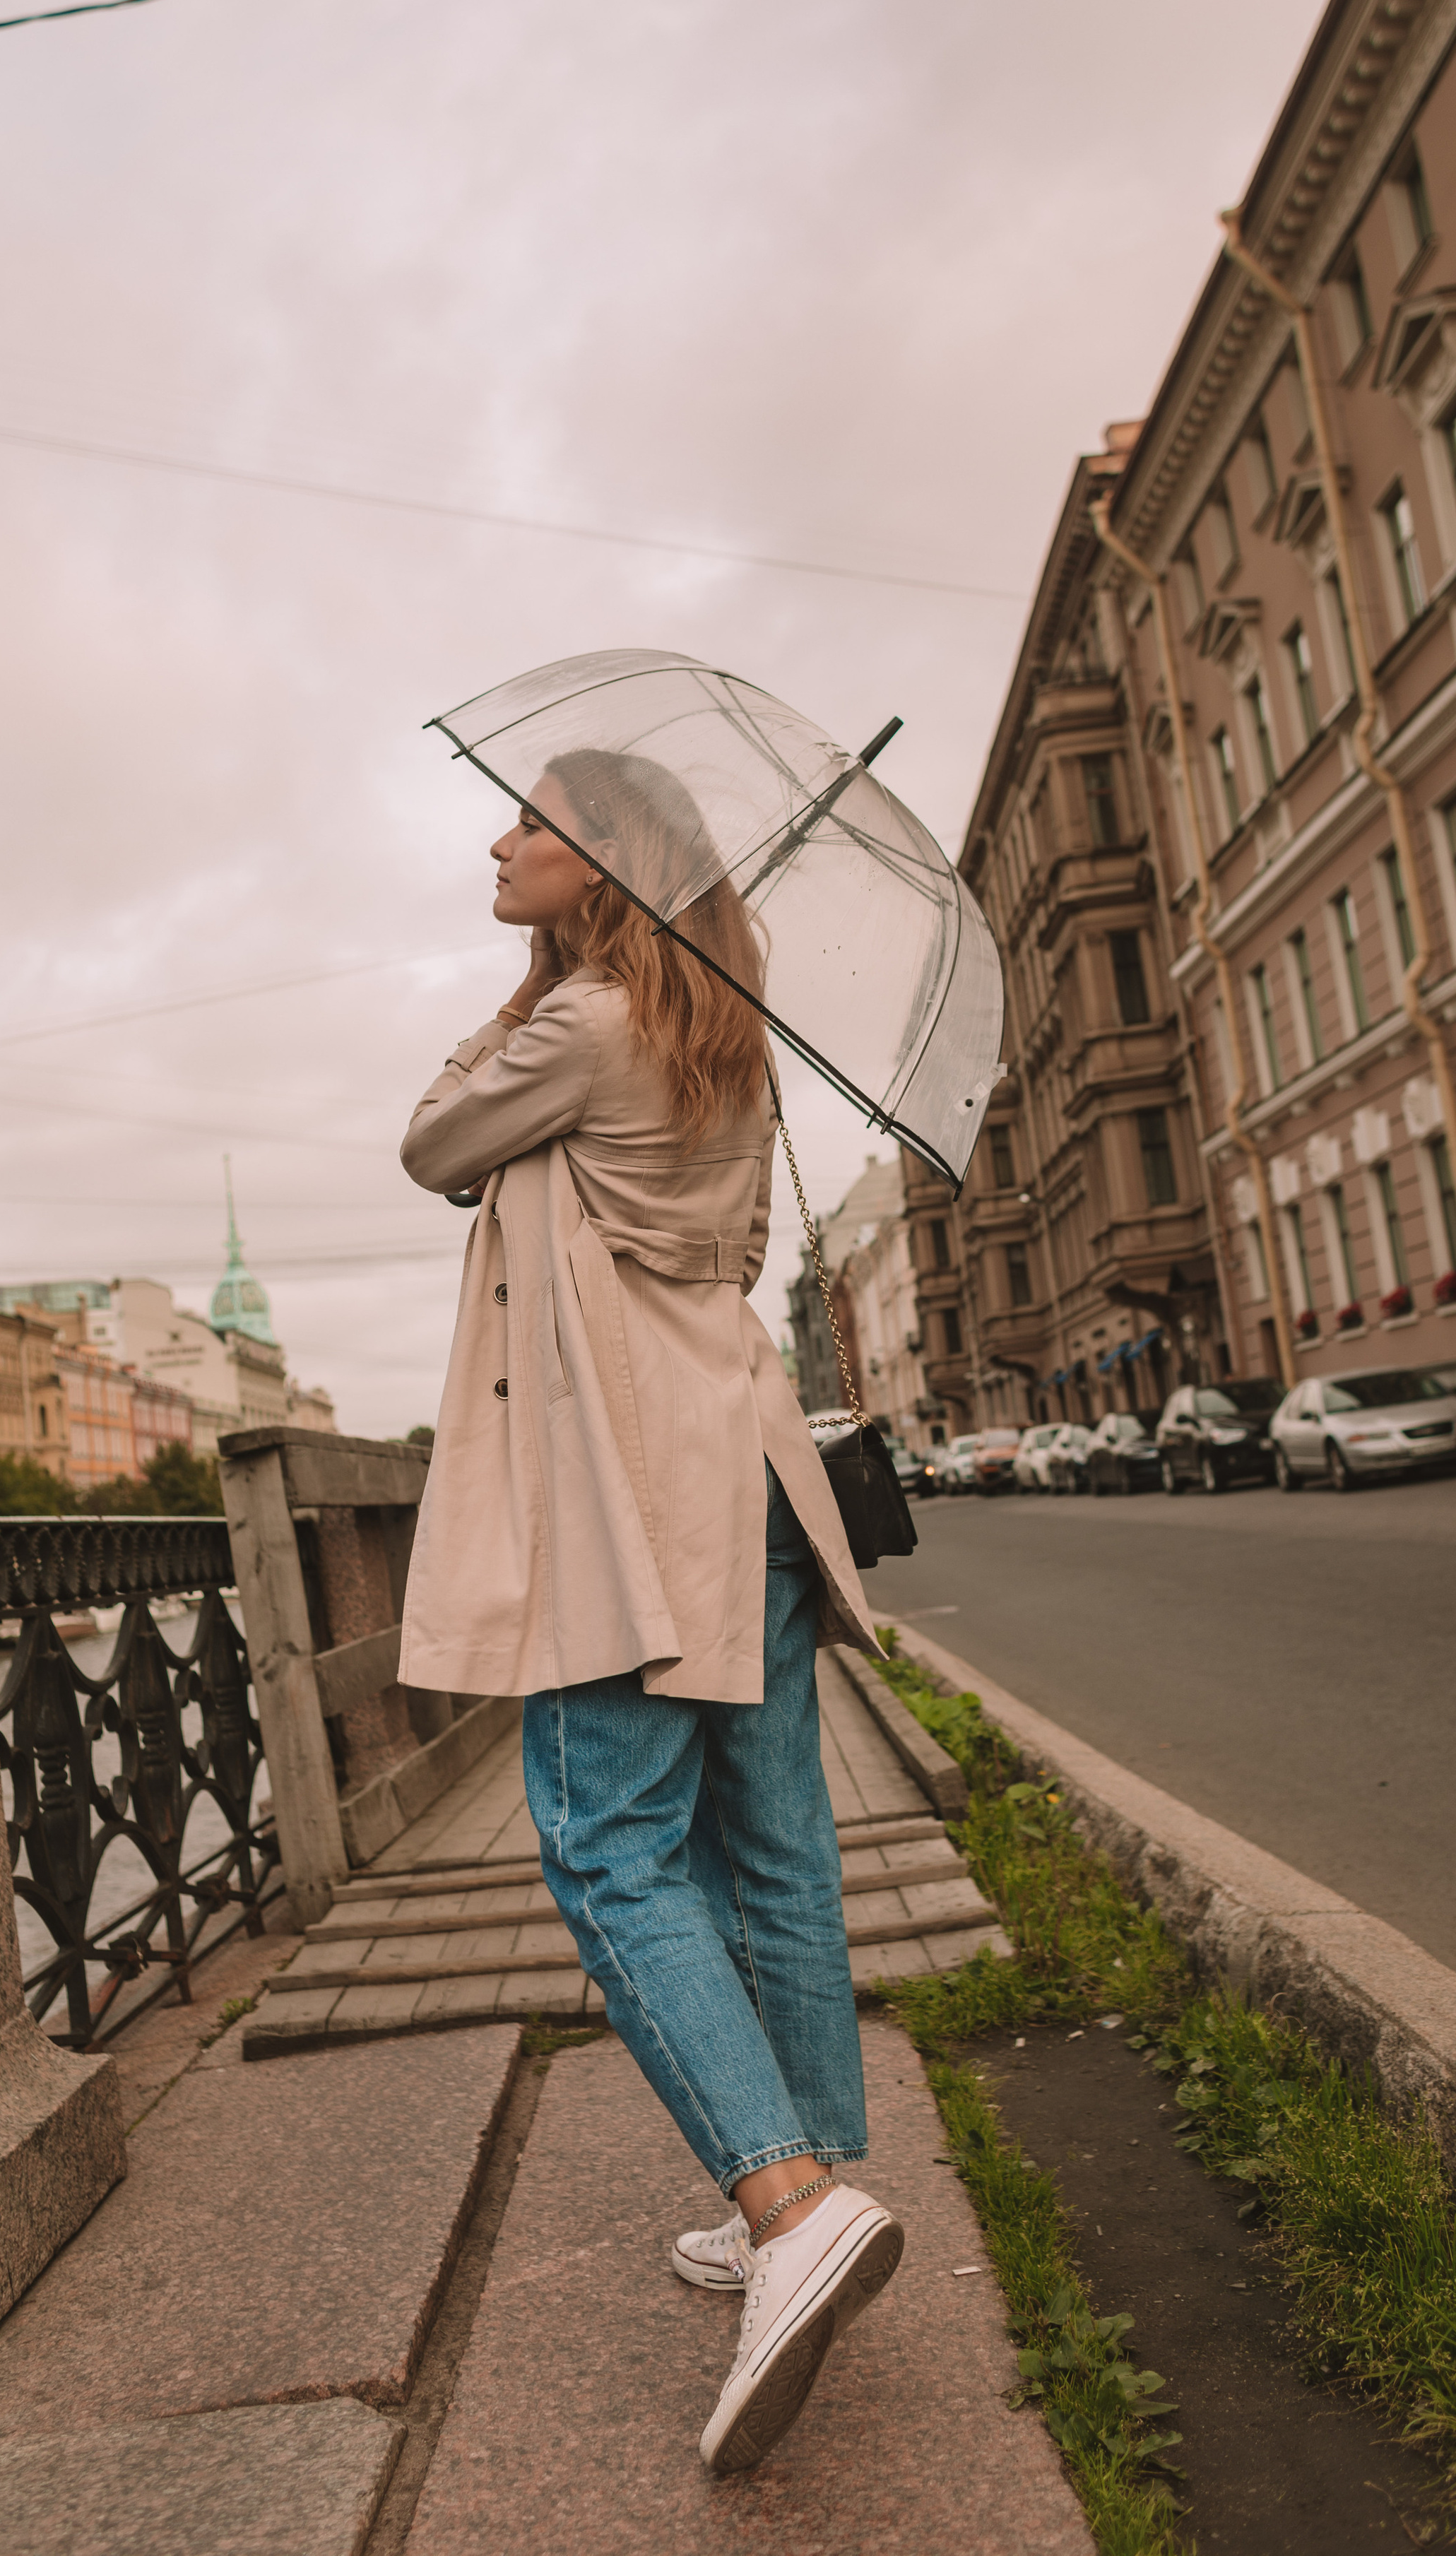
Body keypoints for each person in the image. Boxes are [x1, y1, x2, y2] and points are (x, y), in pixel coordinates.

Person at [398, 748, 904, 2475]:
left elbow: (428, 1143)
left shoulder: (583, 1024)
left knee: (606, 1845)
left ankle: (780, 2204)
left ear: (600, 865)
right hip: (743, 1462)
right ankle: (817, 2168)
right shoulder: (722, 1042)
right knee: (770, 1841)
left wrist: (527, 986)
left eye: (528, 825)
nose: (495, 838)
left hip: (624, 1480)